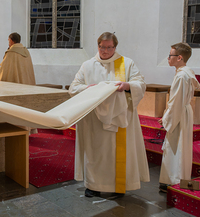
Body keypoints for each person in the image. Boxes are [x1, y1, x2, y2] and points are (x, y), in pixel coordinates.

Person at [69, 32, 150, 198]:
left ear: (115, 47)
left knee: (115, 153)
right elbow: (73, 88)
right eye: (102, 47)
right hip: (94, 121)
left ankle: (118, 185)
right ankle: (93, 185)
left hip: (120, 120)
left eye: (109, 47)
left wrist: (127, 85)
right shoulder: (87, 65)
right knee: (95, 153)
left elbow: (140, 83)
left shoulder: (126, 63)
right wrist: (88, 88)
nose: (105, 50)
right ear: (97, 46)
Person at [158, 43, 200, 192]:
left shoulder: (182, 76)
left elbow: (176, 102)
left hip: (179, 114)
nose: (168, 58)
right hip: (182, 112)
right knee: (178, 146)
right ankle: (177, 179)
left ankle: (173, 181)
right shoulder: (185, 73)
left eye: (171, 55)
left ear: (179, 57)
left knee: (175, 147)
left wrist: (166, 119)